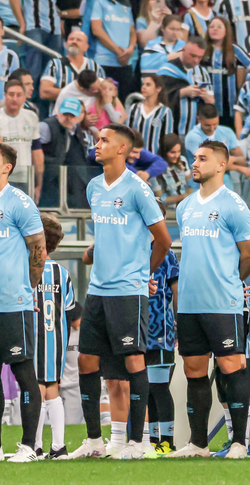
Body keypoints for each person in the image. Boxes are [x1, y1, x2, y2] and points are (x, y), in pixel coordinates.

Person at [69, 125, 172, 460]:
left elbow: (163, 240)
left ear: (122, 148)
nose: (97, 144)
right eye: (97, 139)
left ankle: (138, 442)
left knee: (133, 360)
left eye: (104, 140)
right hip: (98, 290)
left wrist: (144, 275)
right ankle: (96, 441)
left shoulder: (138, 189)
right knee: (87, 360)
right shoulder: (94, 187)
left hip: (128, 290)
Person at [160, 141, 250, 458]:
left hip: (223, 303)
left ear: (221, 165)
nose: (195, 163)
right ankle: (198, 444)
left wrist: (230, 280)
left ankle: (240, 443)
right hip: (190, 304)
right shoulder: (185, 206)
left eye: (202, 158)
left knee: (231, 367)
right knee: (194, 370)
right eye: (194, 158)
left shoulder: (233, 204)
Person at [30, 212, 74, 458]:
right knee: (53, 388)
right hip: (56, 338)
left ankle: (35, 445)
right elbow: (69, 307)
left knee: (36, 388)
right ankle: (58, 446)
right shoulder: (62, 273)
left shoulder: (29, 270)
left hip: (35, 338)